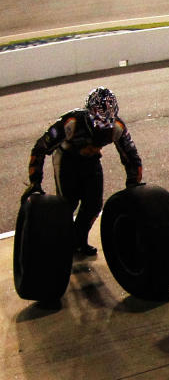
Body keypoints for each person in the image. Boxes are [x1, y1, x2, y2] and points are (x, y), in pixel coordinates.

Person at [23, 87, 143, 257]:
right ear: (89, 114)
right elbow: (40, 147)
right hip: (66, 161)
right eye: (99, 123)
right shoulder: (70, 122)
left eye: (106, 123)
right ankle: (61, 242)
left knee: (94, 205)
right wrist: (35, 181)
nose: (103, 128)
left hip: (91, 161)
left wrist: (133, 184)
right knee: (67, 205)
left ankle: (79, 241)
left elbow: (132, 157)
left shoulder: (117, 127)